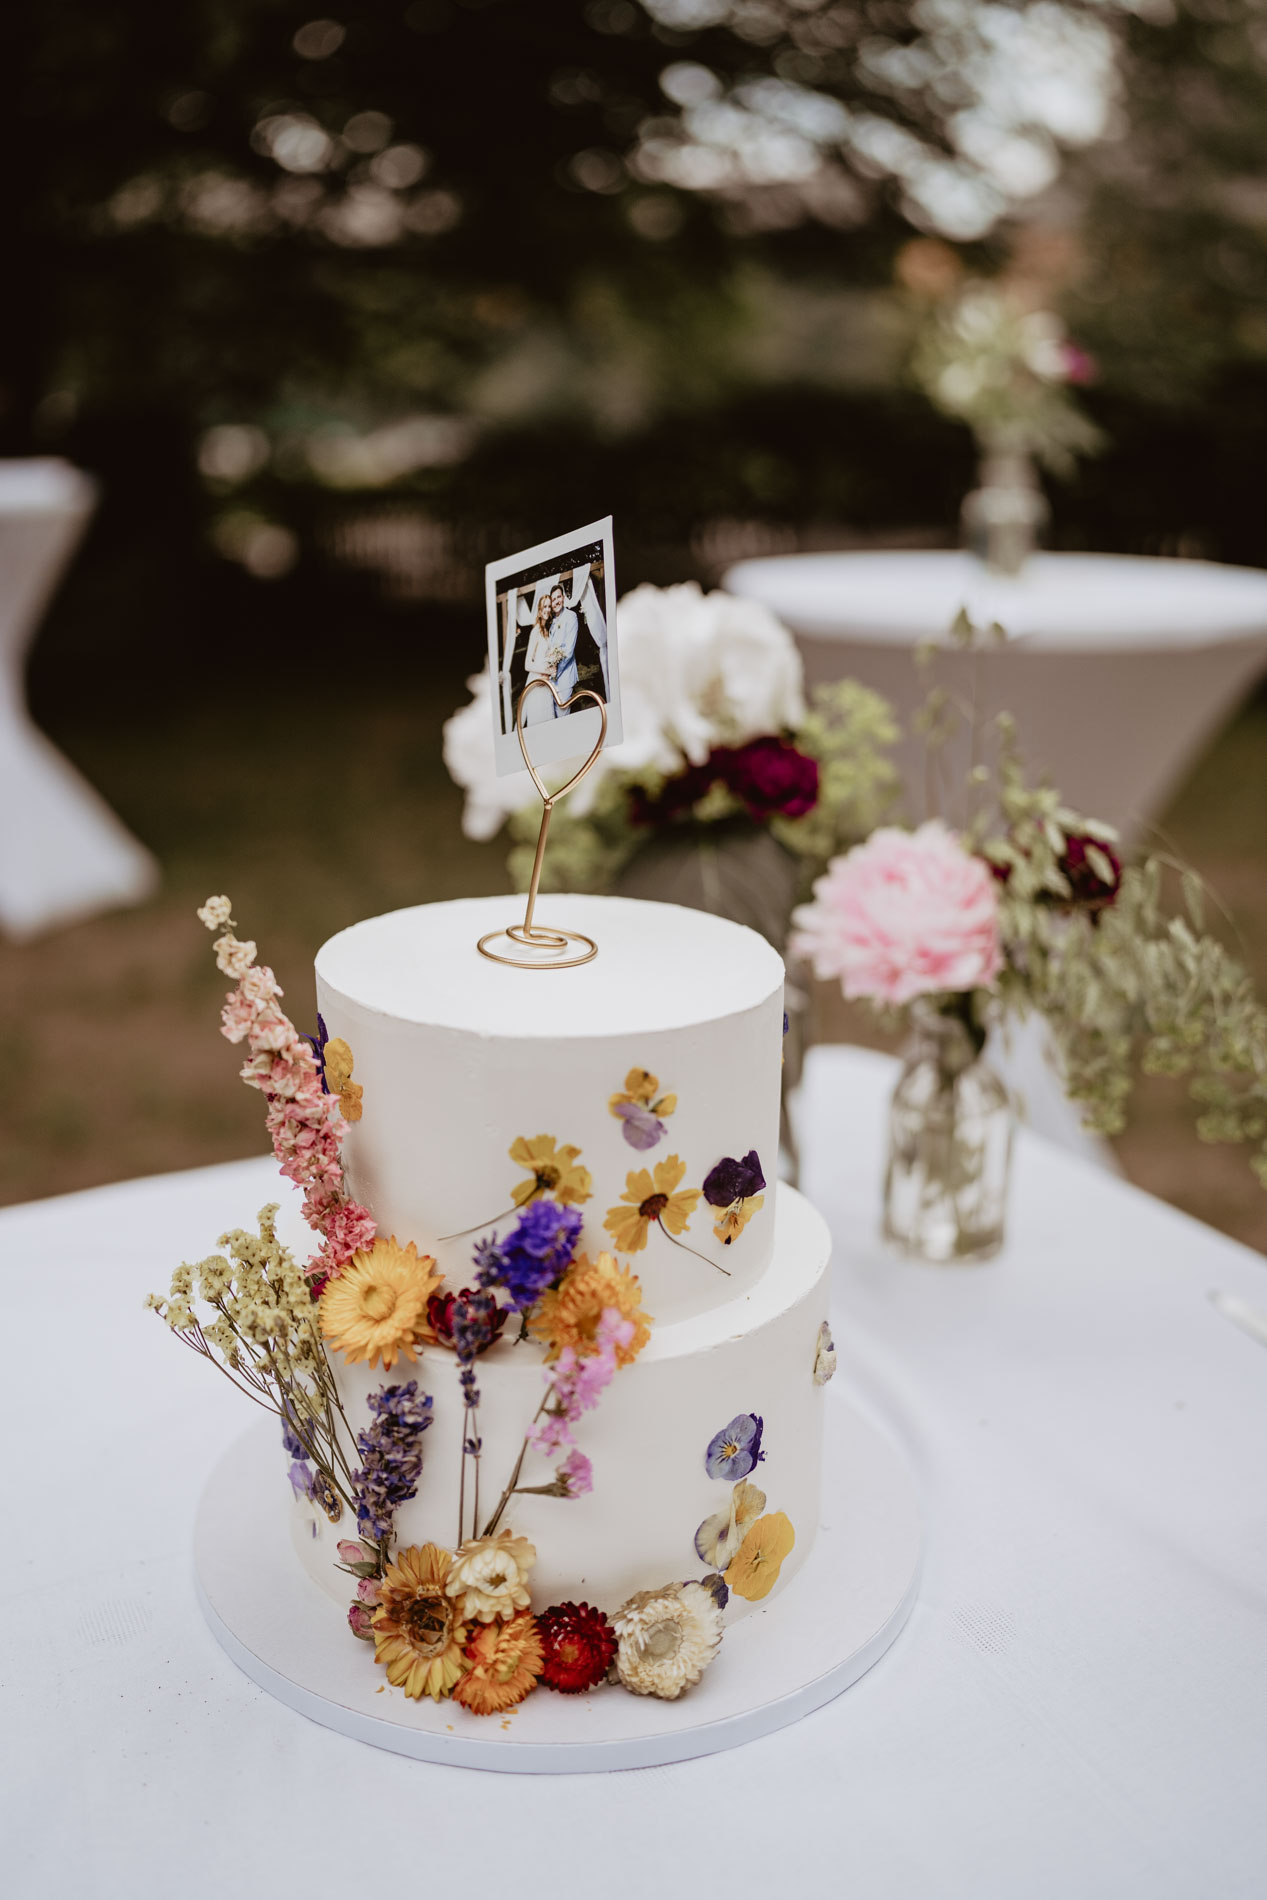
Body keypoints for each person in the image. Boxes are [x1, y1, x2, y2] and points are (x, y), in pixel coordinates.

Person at [521, 590, 561, 724]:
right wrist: (546, 671)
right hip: (537, 681)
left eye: (549, 606)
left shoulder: (547, 630)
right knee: (537, 719)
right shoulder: (536, 631)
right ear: (539, 609)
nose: (547, 609)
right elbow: (527, 664)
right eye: (545, 606)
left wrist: (553, 667)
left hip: (547, 681)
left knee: (548, 717)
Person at [547, 582, 580, 703]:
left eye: (558, 597)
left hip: (565, 676)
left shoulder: (571, 616)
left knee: (562, 712)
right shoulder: (552, 622)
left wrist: (555, 673)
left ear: (564, 598)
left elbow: (569, 651)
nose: (556, 601)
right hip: (552, 679)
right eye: (553, 599)